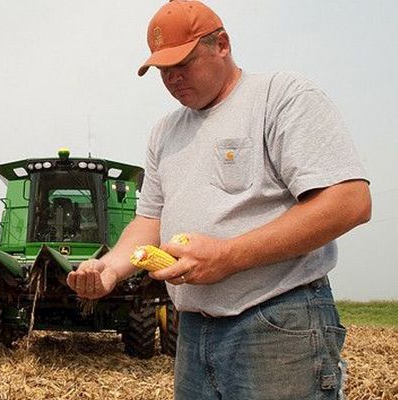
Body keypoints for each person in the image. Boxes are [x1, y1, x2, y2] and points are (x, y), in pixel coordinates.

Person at [66, 1, 371, 399]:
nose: (172, 78)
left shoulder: (279, 97)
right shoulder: (165, 132)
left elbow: (349, 201)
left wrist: (229, 256)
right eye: (162, 70)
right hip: (193, 329)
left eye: (183, 63)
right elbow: (148, 222)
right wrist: (109, 269)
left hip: (276, 321)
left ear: (222, 44)